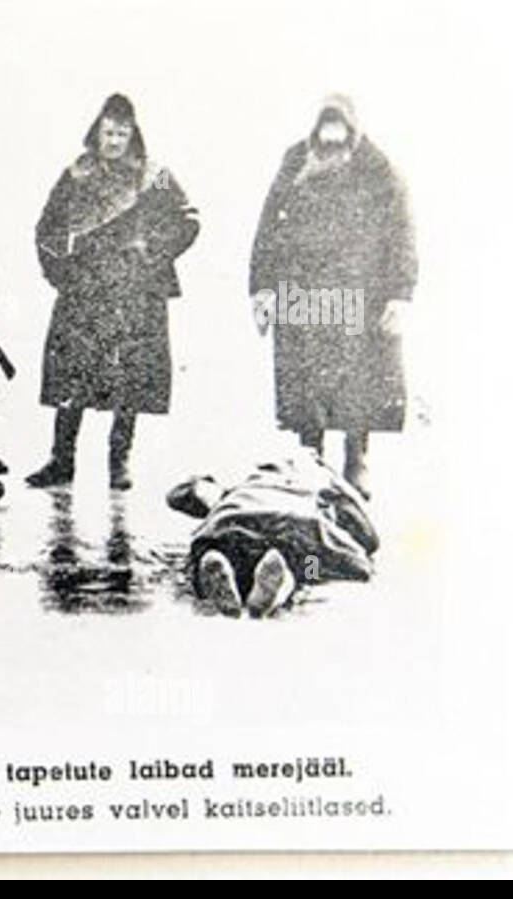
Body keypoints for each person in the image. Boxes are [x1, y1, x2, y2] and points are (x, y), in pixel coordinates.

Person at [26, 93, 199, 490]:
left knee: (128, 379)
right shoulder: (76, 175)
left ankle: (118, 463)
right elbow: (46, 229)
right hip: (85, 290)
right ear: (97, 133)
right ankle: (60, 460)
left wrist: (153, 251)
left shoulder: (153, 174)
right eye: (109, 132)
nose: (115, 140)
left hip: (134, 289)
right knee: (72, 375)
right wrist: (58, 273)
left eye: (122, 132)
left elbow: (188, 218)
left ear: (132, 134)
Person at [249, 94, 418, 499]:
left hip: (357, 289)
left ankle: (355, 458)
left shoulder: (380, 169)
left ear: (353, 131)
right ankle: (310, 456)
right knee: (305, 375)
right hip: (302, 287)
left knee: (356, 378)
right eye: (326, 128)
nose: (332, 137)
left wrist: (400, 293)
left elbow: (402, 232)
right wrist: (262, 289)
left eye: (339, 128)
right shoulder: (294, 162)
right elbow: (269, 226)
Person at [167, 451, 378, 618]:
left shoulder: (245, 479)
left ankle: (220, 567)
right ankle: (286, 582)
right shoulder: (322, 478)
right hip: (303, 530)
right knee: (315, 566)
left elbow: (178, 496)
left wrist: (207, 487)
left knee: (222, 549)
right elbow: (368, 536)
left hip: (231, 520)